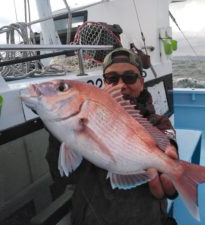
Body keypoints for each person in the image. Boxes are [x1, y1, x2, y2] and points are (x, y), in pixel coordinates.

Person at [46, 47, 178, 225]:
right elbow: (64, 178)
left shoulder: (158, 122)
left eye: (130, 77)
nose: (121, 85)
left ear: (141, 81)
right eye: (112, 78)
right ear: (105, 83)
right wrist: (60, 127)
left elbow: (168, 144)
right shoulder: (85, 117)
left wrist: (172, 163)